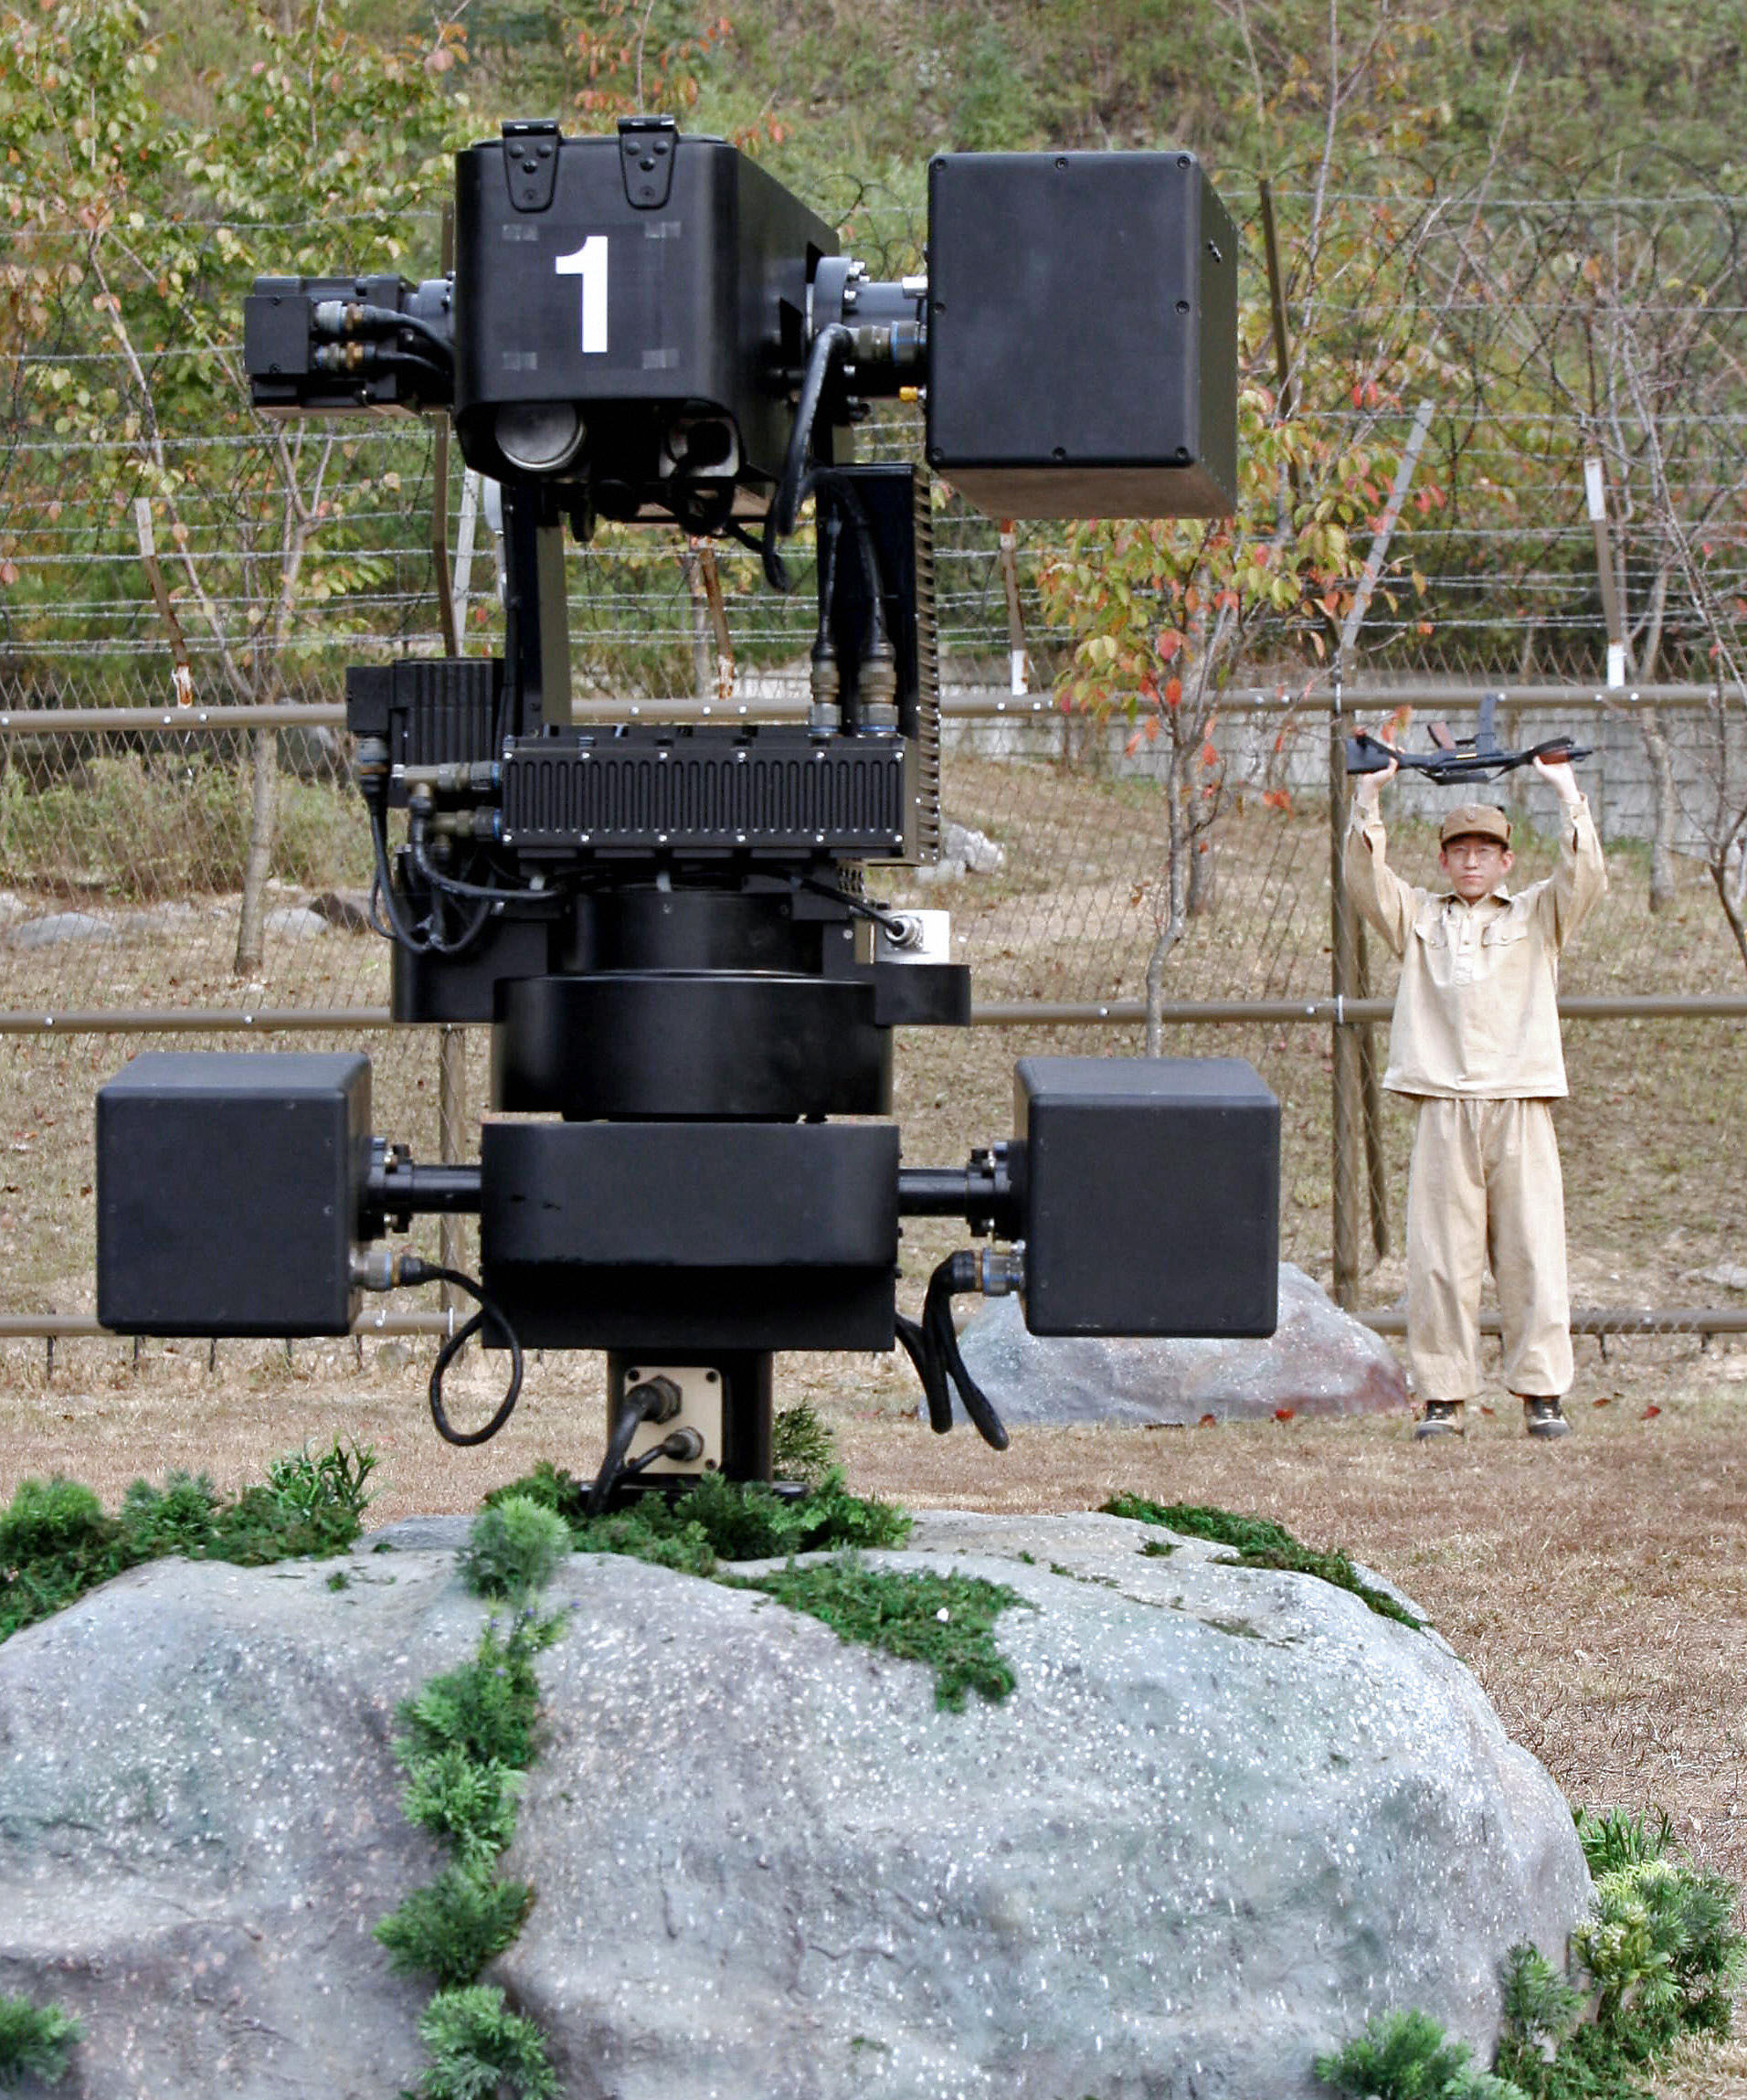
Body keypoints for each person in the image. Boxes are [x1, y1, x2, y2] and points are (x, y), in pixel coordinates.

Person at [1345, 749, 1607, 1440]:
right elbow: (1366, 882)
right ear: (1442, 860)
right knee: (1440, 1257)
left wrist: (1565, 789)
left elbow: (1584, 878)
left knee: (1533, 1251)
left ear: (1506, 860)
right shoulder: (1420, 917)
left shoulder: (1538, 916)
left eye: (1485, 851)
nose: (1471, 863)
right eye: (1459, 850)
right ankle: (1442, 1396)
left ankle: (1542, 1393)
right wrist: (1369, 798)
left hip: (1521, 1101)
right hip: (1442, 1102)